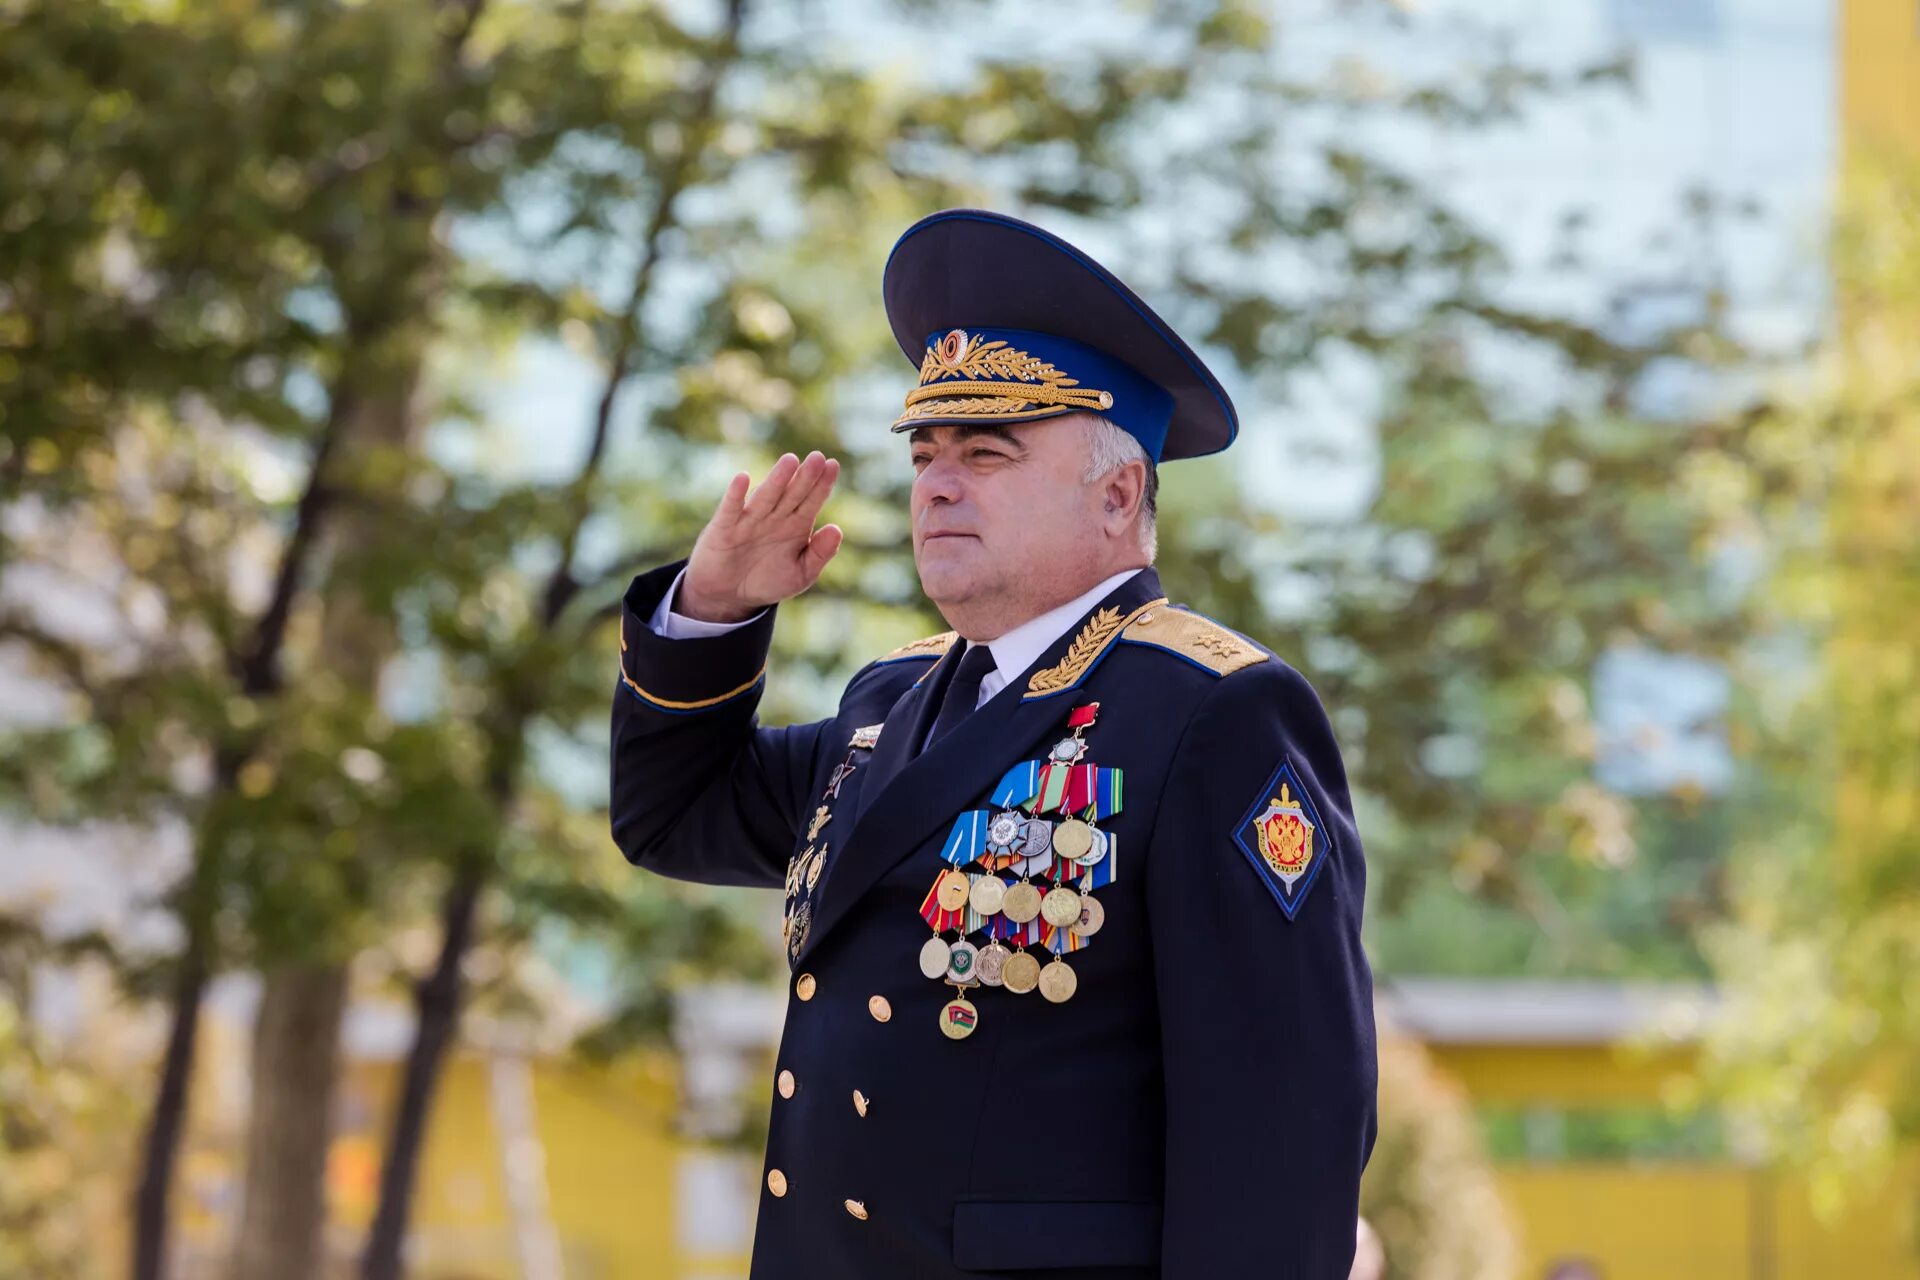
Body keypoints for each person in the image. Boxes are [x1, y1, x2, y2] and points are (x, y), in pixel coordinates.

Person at [611, 208, 1378, 1279]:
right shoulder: (895, 697)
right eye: (925, 451)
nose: (936, 482)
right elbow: (674, 818)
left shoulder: (1213, 713)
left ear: (1118, 494)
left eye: (986, 450)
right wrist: (712, 612)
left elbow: (1278, 1124)